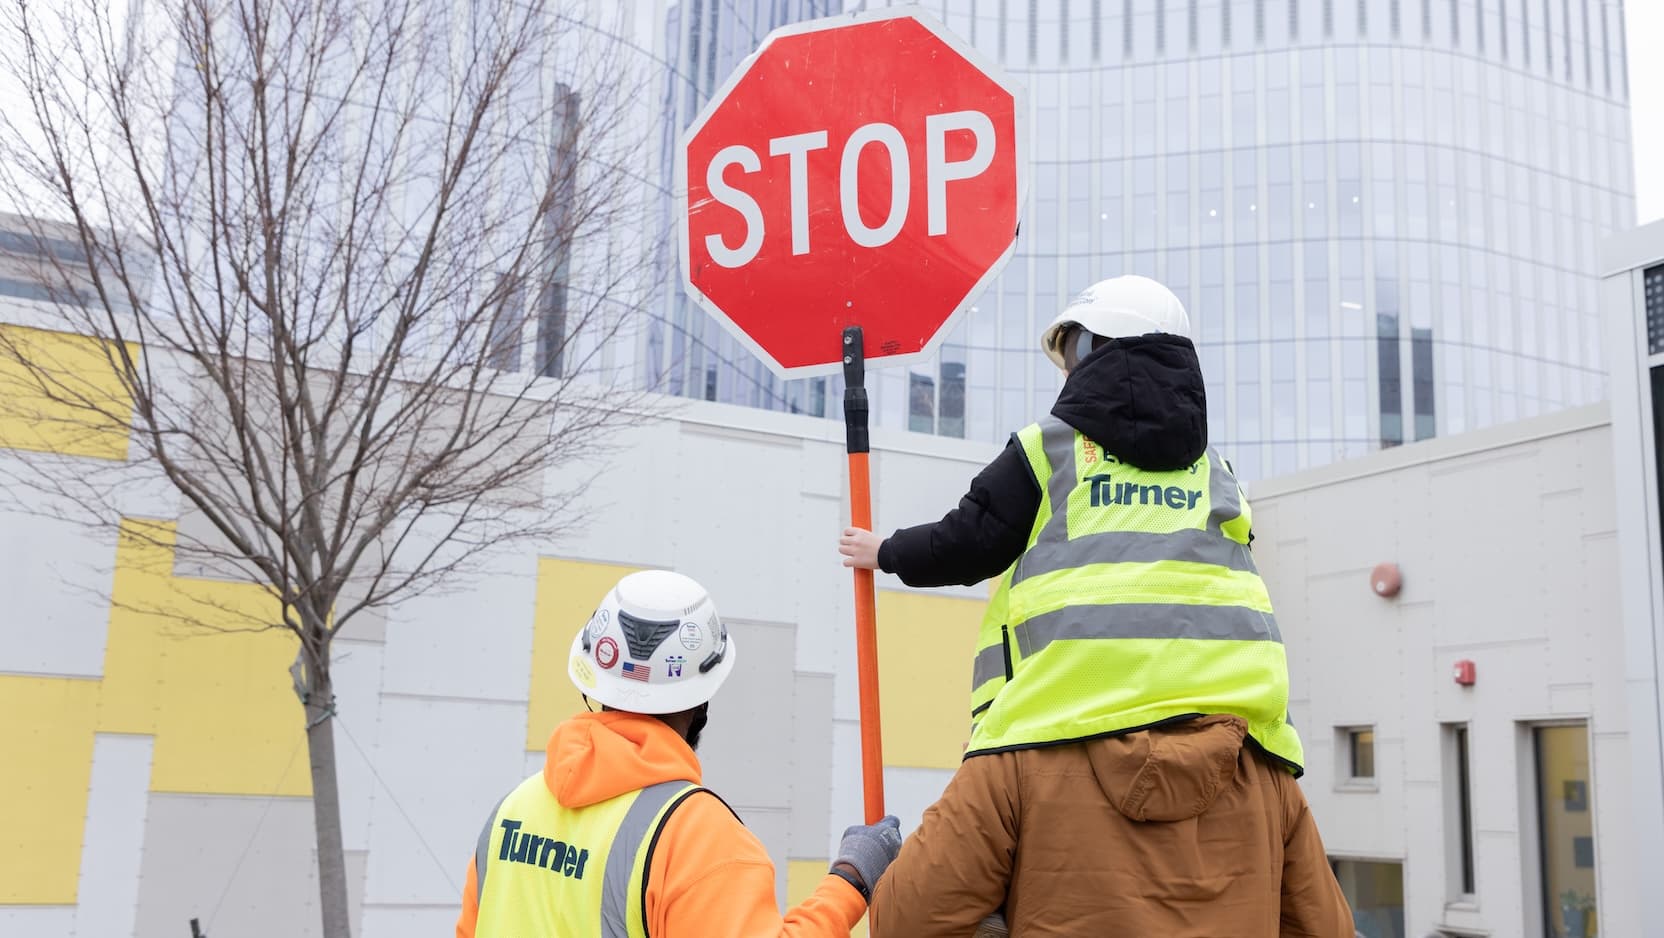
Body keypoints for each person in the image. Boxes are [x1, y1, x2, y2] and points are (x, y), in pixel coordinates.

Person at [840, 275, 1354, 936]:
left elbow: (905, 921)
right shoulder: (1220, 477)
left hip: (1052, 726)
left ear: (1096, 352)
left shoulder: (1049, 451)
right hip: (1239, 742)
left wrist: (885, 551)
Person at [456, 569, 901, 937]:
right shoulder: (697, 835)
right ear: (702, 697)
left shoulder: (510, 813)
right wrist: (850, 881)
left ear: (593, 680)